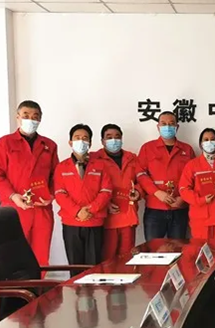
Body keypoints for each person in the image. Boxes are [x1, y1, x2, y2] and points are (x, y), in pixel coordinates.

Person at [0, 100, 59, 267]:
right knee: (12, 256)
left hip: (41, 209)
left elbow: (56, 176)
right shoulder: (4, 143)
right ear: (18, 117)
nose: (30, 120)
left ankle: (39, 285)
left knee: (41, 257)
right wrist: (12, 195)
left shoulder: (49, 145)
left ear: (40, 119)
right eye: (26, 116)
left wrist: (51, 195)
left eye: (35, 116)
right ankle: (16, 285)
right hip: (14, 209)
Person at [54, 124, 112, 266]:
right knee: (75, 266)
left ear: (90, 143)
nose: (81, 141)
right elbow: (60, 194)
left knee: (94, 266)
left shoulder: (100, 165)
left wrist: (90, 209)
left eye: (85, 138)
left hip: (94, 221)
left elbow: (106, 191)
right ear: (70, 142)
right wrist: (77, 211)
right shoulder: (62, 167)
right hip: (71, 222)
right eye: (77, 138)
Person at [137, 112, 195, 242]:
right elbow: (140, 174)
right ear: (158, 127)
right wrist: (157, 193)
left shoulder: (187, 149)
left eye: (171, 124)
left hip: (179, 208)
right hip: (155, 209)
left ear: (177, 127)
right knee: (153, 249)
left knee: (177, 249)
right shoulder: (147, 148)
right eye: (163, 124)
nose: (167, 127)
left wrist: (183, 198)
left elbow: (193, 178)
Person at [93, 124, 143, 261]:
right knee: (107, 258)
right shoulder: (94, 159)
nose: (113, 140)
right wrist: (104, 204)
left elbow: (142, 180)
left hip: (128, 214)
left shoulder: (132, 158)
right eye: (109, 137)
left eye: (117, 137)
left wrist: (138, 192)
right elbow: (90, 186)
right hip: (107, 217)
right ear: (102, 141)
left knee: (126, 258)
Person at [179, 128, 215, 250]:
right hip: (200, 219)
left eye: (212, 139)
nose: (209, 142)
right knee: (200, 253)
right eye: (206, 140)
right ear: (200, 143)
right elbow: (183, 189)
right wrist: (200, 200)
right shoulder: (192, 165)